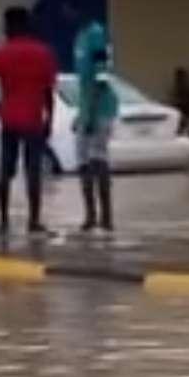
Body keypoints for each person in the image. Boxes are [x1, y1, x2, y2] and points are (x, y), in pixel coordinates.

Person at [0, 7, 58, 237]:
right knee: (33, 171)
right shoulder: (43, 53)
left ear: (11, 26)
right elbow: (48, 91)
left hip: (9, 119)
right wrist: (49, 119)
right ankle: (34, 221)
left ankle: (3, 220)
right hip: (33, 119)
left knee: (5, 170)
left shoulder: (1, 54)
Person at [73, 17, 119, 233]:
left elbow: (102, 77)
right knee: (82, 161)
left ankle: (106, 217)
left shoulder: (96, 35)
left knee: (98, 158)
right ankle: (90, 215)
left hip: (101, 109)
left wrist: (90, 113)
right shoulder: (80, 37)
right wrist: (81, 114)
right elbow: (84, 82)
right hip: (86, 108)